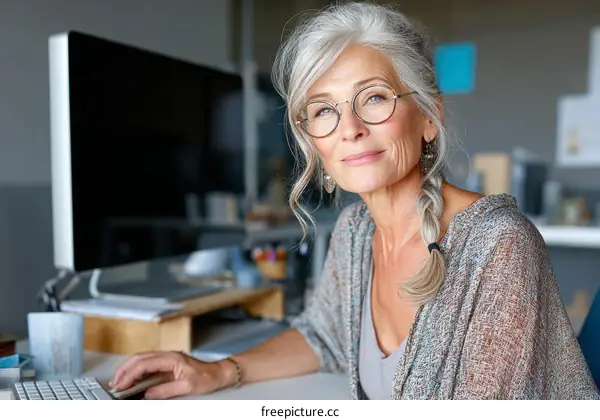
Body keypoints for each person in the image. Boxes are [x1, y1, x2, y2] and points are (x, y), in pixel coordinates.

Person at [109, 2, 599, 399]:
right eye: (324, 110)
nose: (350, 129)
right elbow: (321, 336)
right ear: (313, 142)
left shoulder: (498, 247)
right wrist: (217, 372)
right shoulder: (355, 231)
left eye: (375, 97)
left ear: (429, 117)